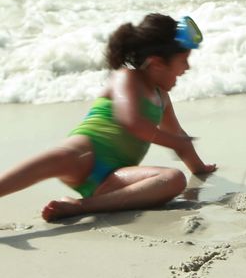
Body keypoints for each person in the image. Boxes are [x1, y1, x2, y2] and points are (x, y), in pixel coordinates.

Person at [0, 14, 217, 222]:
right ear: (157, 63)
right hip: (80, 155)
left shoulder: (163, 99)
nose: (187, 68)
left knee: (174, 179)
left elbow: (177, 135)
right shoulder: (126, 77)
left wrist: (199, 167)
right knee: (48, 163)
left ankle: (80, 206)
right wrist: (175, 141)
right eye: (183, 61)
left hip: (113, 179)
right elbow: (131, 121)